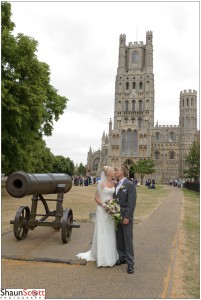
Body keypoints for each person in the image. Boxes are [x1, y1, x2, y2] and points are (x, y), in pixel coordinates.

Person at [76, 166, 119, 267]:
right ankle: (102, 257)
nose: (114, 172)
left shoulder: (114, 183)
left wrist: (113, 206)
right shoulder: (101, 183)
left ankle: (111, 255)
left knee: (110, 231)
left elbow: (114, 196)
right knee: (102, 231)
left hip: (111, 210)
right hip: (102, 209)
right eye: (113, 171)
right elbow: (96, 197)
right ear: (108, 173)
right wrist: (104, 205)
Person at [115, 166, 137, 274]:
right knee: (119, 238)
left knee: (128, 239)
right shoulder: (116, 184)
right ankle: (122, 257)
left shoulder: (129, 184)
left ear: (123, 172)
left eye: (117, 170)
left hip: (125, 216)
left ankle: (130, 263)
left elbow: (131, 203)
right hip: (117, 215)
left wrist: (127, 217)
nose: (115, 172)